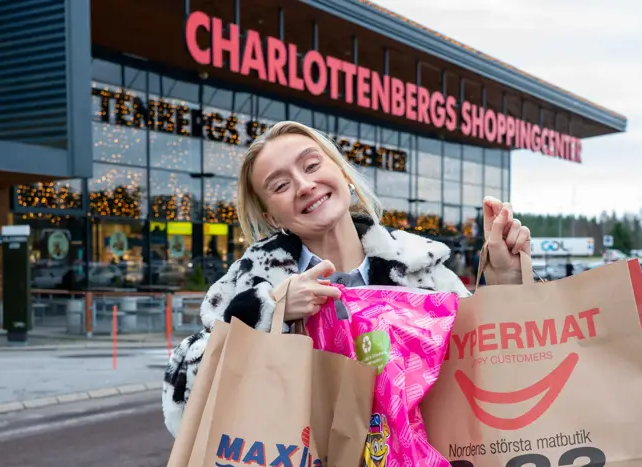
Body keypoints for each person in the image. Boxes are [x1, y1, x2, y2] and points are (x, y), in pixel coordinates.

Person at [161, 120, 532, 436]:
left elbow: (498, 373)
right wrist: (267, 313)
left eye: (310, 166)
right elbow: (182, 408)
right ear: (271, 216)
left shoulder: (421, 270)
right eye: (280, 185)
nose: (304, 185)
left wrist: (506, 283)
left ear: (341, 172)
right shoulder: (251, 285)